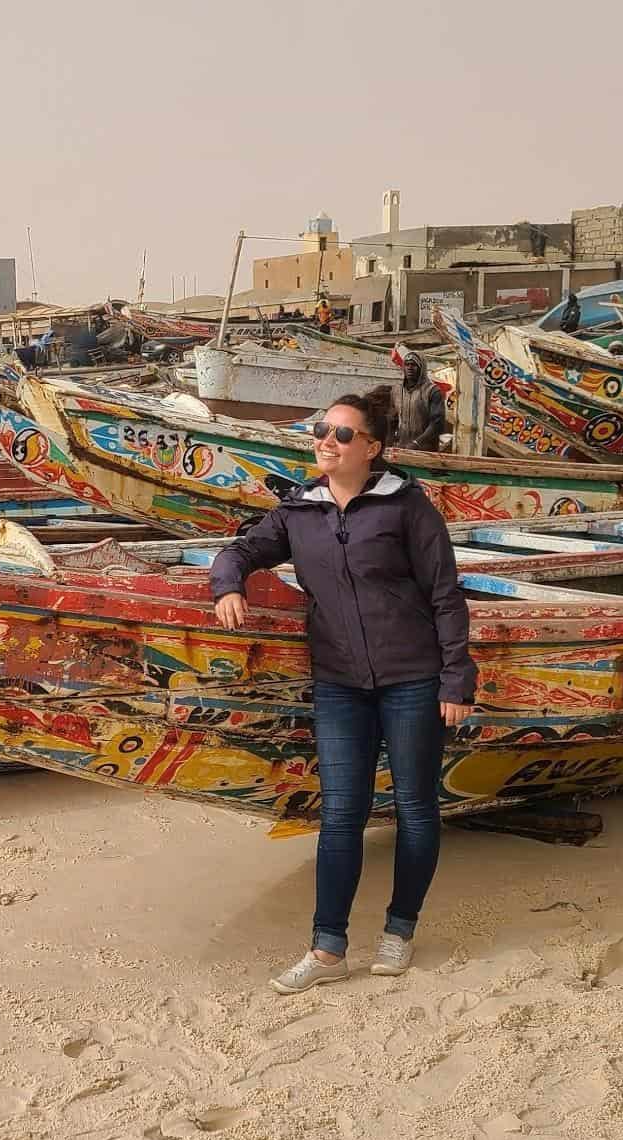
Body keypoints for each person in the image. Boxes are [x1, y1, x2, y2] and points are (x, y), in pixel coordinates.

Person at [209, 388, 475, 993]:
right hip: (339, 685)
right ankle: (328, 949)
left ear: (373, 449)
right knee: (341, 815)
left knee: (414, 809)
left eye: (343, 434)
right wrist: (228, 585)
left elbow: (444, 596)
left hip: (413, 680)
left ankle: (399, 932)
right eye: (322, 431)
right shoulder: (299, 512)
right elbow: (241, 550)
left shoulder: (408, 507)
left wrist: (457, 678)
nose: (327, 442)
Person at [391, 353, 446, 452]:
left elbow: (437, 424)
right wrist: (390, 441)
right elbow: (392, 419)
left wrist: (417, 443)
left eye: (414, 365)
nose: (410, 368)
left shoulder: (432, 391)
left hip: (425, 450)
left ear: (422, 368)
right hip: (402, 447)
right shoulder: (397, 390)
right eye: (407, 364)